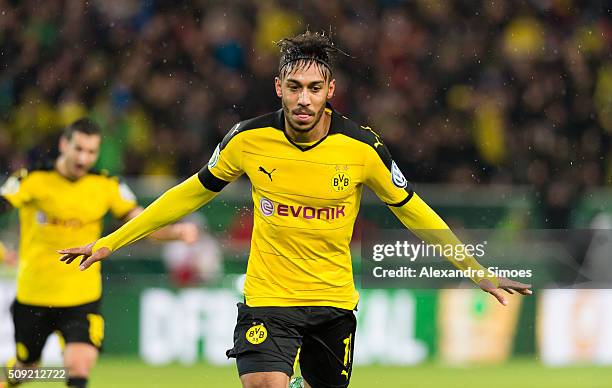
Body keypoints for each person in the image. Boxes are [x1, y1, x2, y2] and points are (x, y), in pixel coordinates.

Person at [58, 32, 532, 388]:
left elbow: (416, 212)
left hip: (332, 303)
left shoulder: (362, 148)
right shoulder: (247, 140)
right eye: (294, 87)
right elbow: (188, 193)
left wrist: (476, 270)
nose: (303, 99)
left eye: (314, 88)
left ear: (331, 91)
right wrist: (110, 242)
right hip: (268, 299)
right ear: (278, 87)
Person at [0, 119, 198, 388]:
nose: (84, 158)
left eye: (91, 152)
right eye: (78, 149)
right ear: (63, 145)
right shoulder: (31, 180)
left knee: (78, 366)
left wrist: (175, 232)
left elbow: (139, 222)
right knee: (26, 370)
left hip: (82, 297)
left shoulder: (106, 186)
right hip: (33, 296)